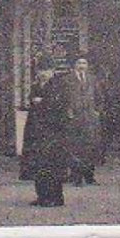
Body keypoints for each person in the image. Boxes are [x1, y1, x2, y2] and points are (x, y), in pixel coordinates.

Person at [22, 58, 70, 207]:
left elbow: (60, 106)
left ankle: (55, 197)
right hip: (37, 131)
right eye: (40, 70)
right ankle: (42, 195)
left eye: (46, 70)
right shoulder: (36, 86)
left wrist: (41, 102)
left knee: (52, 165)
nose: (43, 74)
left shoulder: (59, 85)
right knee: (39, 165)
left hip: (53, 130)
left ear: (53, 71)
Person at [64, 56, 102, 186]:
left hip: (90, 117)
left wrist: (97, 111)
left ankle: (89, 176)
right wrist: (68, 110)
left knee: (90, 146)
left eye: (84, 62)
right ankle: (76, 177)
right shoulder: (67, 79)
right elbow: (64, 97)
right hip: (74, 117)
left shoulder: (92, 79)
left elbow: (99, 96)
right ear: (74, 64)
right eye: (79, 62)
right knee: (75, 147)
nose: (81, 65)